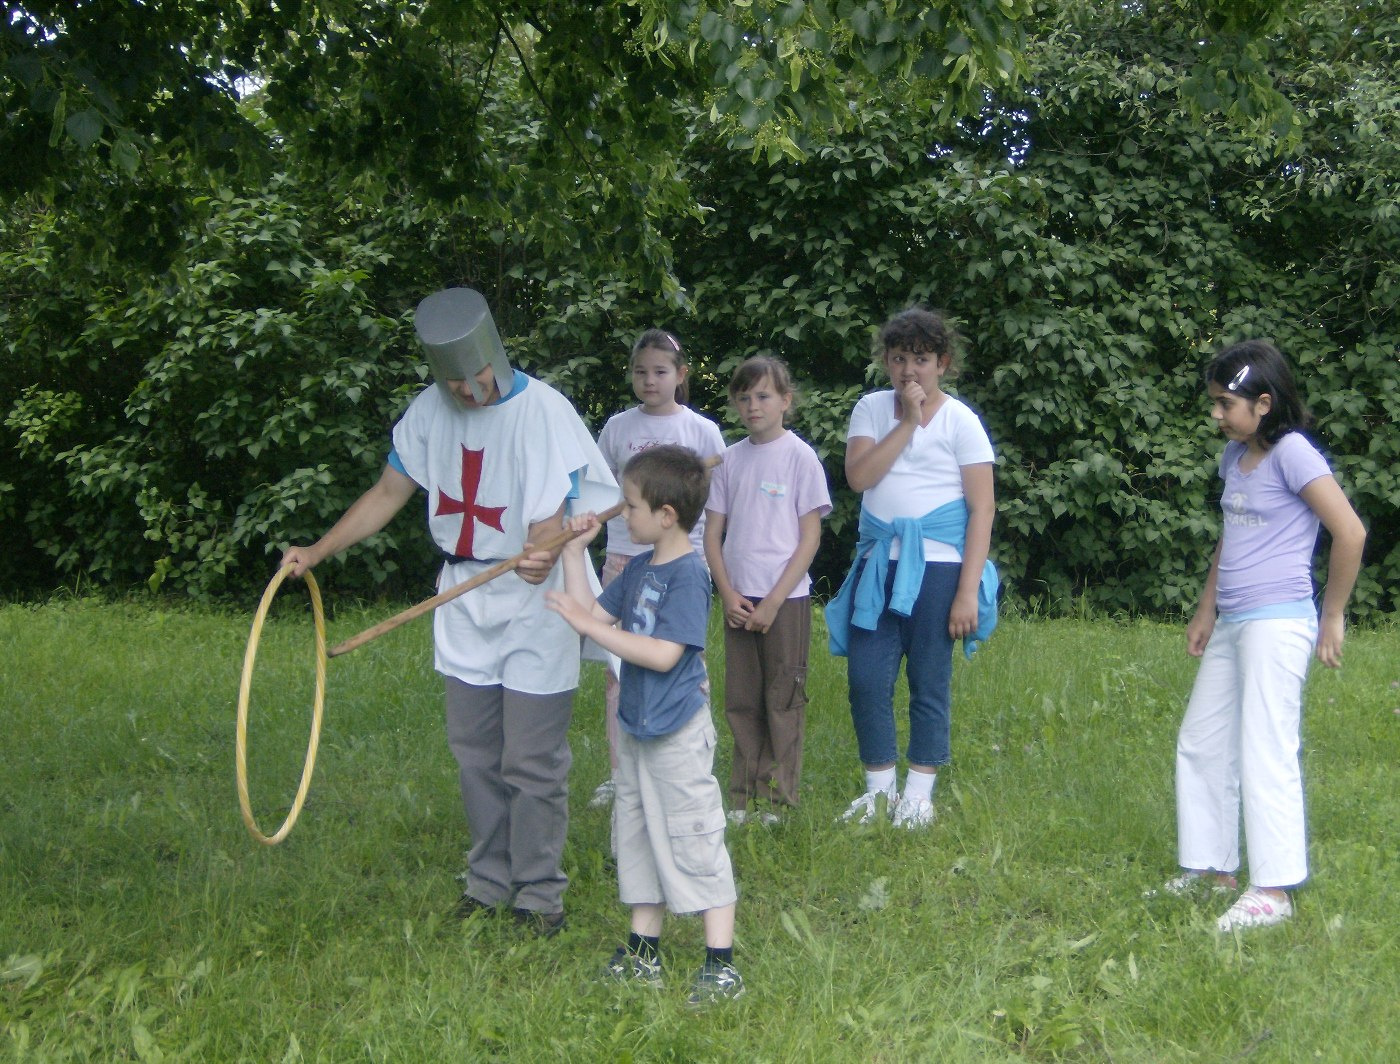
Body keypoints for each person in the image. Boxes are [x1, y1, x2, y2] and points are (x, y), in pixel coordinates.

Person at [280, 287, 618, 936]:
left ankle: (539, 897)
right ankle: (489, 882)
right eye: (454, 382)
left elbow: (560, 509)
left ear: (494, 353)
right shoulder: (429, 412)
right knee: (475, 754)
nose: (467, 393)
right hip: (462, 600)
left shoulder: (544, 411)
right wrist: (318, 550)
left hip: (534, 607)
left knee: (530, 759)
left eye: (476, 377)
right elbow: (387, 492)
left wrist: (541, 553)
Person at [1161, 339, 1365, 932]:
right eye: (1216, 403)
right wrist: (1207, 609)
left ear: (1265, 402)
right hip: (1234, 620)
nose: (1218, 415)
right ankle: (1212, 868)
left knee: (1265, 749)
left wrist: (1332, 615)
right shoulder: (1234, 459)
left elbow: (1349, 533)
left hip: (1280, 622)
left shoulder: (1293, 454)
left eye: (1227, 404)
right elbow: (1231, 538)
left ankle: (1272, 891)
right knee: (1201, 741)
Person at [546, 445, 743, 1006]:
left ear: (665, 515)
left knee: (692, 834)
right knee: (635, 833)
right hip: (635, 726)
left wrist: (587, 624)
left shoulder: (689, 576)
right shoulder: (635, 569)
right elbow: (593, 618)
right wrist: (572, 553)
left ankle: (720, 964)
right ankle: (643, 951)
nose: (621, 515)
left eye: (629, 506)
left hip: (676, 732)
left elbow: (660, 655)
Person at [825, 306, 998, 829]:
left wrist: (967, 591)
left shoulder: (961, 420)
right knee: (867, 678)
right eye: (898, 359)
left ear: (942, 362)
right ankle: (879, 789)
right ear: (885, 361)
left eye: (921, 359)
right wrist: (906, 423)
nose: (908, 371)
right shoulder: (872, 411)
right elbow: (859, 478)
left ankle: (919, 792)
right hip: (879, 564)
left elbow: (982, 508)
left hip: (939, 569)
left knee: (928, 678)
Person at [589, 330, 726, 809]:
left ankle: (688, 753)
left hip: (681, 558)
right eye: (641, 371)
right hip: (625, 556)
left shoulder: (701, 431)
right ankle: (620, 769)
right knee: (618, 665)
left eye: (660, 371)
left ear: (681, 375)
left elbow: (713, 499)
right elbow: (605, 488)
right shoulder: (616, 428)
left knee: (682, 660)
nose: (649, 380)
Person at [703, 356, 831, 823]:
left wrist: (774, 601)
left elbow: (810, 537)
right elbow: (712, 535)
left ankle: (777, 797)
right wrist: (727, 592)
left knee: (782, 696)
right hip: (739, 599)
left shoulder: (800, 458)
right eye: (744, 397)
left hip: (786, 601)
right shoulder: (729, 461)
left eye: (763, 396)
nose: (753, 406)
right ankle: (742, 796)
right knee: (742, 698)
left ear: (785, 401)